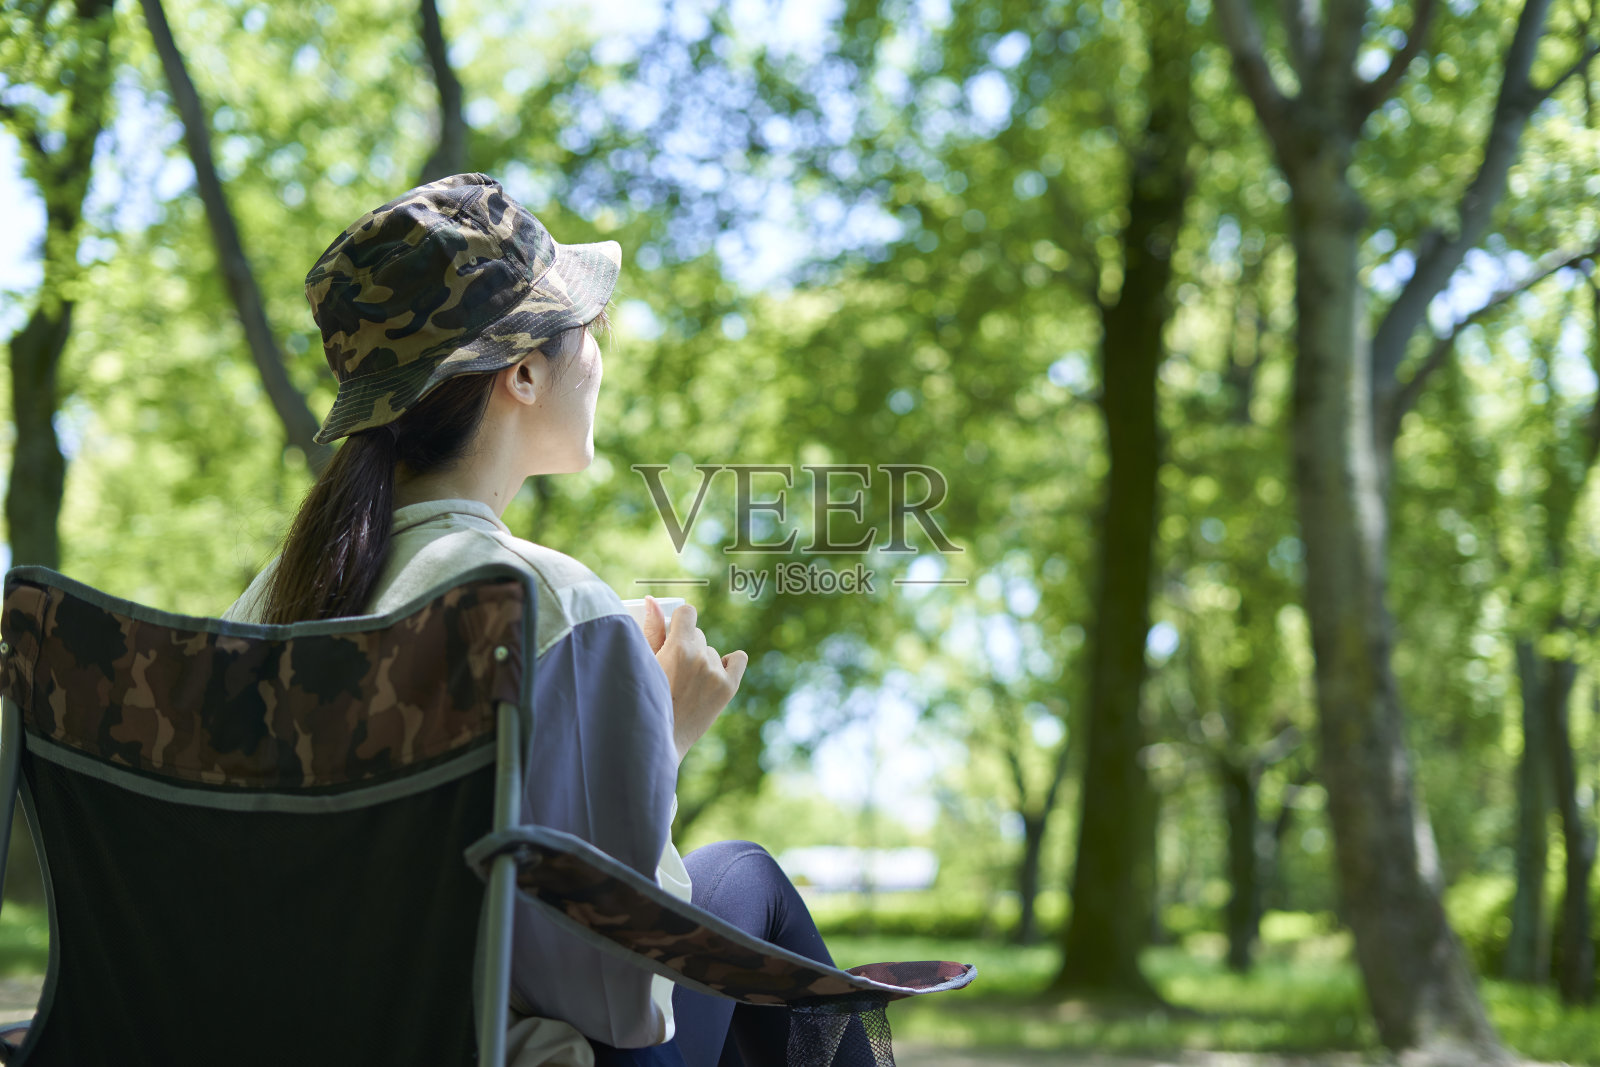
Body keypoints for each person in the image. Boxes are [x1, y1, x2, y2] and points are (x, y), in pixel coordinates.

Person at [222, 172, 849, 1067]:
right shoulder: (548, 608)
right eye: (590, 329)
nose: (602, 354)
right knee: (746, 876)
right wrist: (657, 745)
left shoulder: (269, 603)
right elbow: (622, 1002)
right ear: (522, 371)